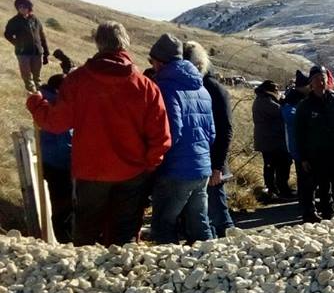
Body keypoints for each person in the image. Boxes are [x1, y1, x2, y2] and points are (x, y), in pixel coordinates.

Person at [26, 21, 171, 246]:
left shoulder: (77, 81)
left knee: (86, 231)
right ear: (125, 42)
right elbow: (161, 136)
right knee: (124, 233)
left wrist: (36, 103)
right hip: (132, 172)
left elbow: (55, 123)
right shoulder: (145, 85)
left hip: (90, 172)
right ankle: (122, 276)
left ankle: (85, 276)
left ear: (98, 43)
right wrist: (149, 165)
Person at [149, 33, 216, 245]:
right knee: (199, 222)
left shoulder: (165, 87)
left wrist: (154, 160)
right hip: (202, 167)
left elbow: (172, 132)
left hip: (175, 169)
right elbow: (211, 133)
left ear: (159, 62)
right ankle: (210, 266)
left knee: (163, 223)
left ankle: (167, 272)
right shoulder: (201, 88)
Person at [184, 40, 235, 238]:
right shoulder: (199, 87)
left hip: (213, 165)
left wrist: (218, 167)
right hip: (200, 164)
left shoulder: (213, 89)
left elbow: (225, 129)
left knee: (218, 215)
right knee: (206, 216)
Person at [295, 65, 334, 221]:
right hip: (316, 154)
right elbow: (299, 133)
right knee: (323, 188)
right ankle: (327, 216)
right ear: (311, 82)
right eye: (316, 79)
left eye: (322, 78)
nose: (320, 82)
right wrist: (303, 157)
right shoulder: (304, 106)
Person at [37, 74, 73, 243]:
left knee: (59, 203)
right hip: (59, 164)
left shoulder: (46, 101)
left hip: (52, 162)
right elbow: (62, 140)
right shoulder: (55, 105)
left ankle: (63, 236)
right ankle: (64, 238)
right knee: (62, 205)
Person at [253, 79, 295, 200]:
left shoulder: (263, 99)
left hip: (270, 139)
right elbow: (280, 112)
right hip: (270, 140)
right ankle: (275, 190)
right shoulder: (264, 101)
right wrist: (284, 101)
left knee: (276, 165)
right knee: (275, 166)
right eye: (276, 90)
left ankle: (278, 188)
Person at [282, 70, 313, 217]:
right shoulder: (291, 101)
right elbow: (292, 119)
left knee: (308, 176)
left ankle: (307, 202)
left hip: (306, 144)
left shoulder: (302, 99)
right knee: (304, 176)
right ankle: (305, 203)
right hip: (297, 145)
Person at [4, 0, 49, 92]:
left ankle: (40, 92)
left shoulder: (35, 20)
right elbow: (7, 34)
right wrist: (18, 44)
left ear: (29, 8)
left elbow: (42, 36)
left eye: (25, 6)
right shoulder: (14, 21)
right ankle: (33, 94)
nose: (22, 8)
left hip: (37, 52)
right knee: (27, 75)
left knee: (37, 76)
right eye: (20, 7)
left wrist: (46, 52)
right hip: (23, 53)